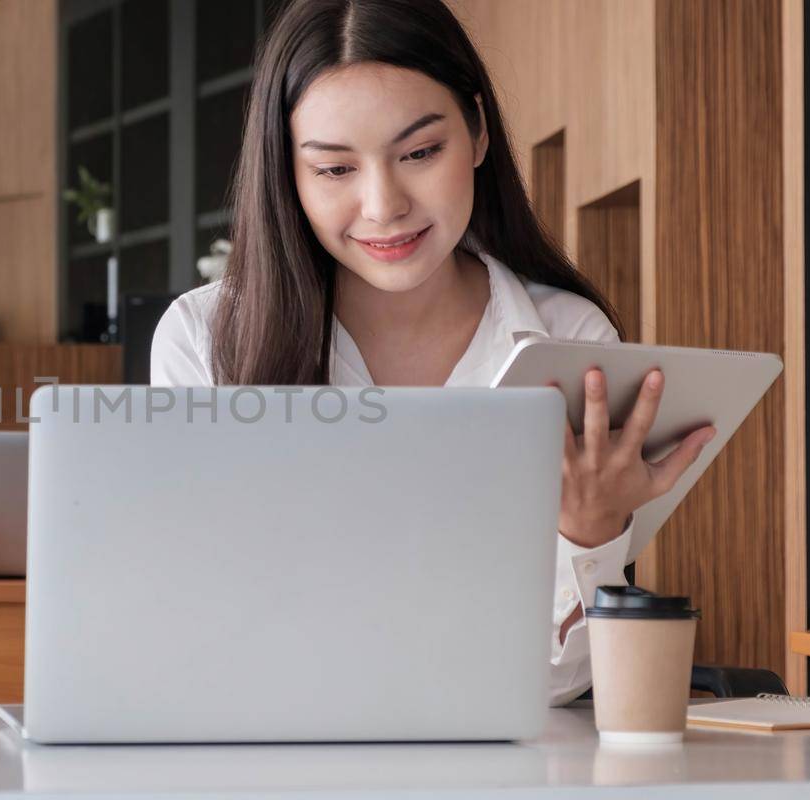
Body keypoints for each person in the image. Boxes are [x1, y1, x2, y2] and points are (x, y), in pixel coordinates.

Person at [149, 0, 716, 705]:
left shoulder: (568, 340)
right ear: (287, 174)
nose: (384, 205)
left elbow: (555, 685)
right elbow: (204, 639)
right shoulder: (206, 340)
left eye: (419, 153)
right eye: (334, 170)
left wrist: (592, 533)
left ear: (477, 131)